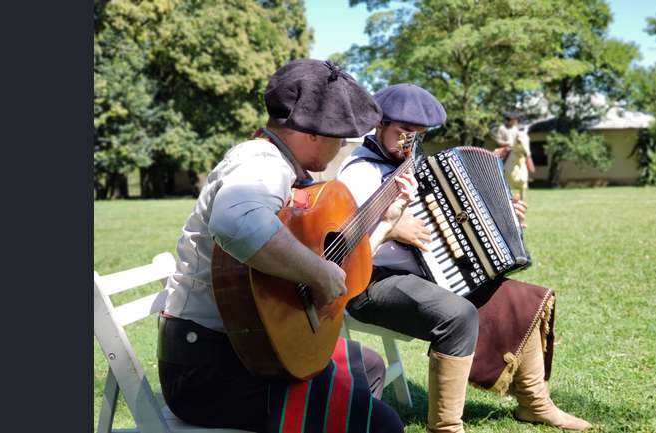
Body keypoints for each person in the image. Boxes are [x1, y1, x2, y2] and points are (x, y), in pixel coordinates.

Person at [157, 59, 415, 433]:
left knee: (369, 366)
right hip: (211, 372)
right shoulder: (260, 162)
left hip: (244, 350)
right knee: (385, 426)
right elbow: (237, 222)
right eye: (339, 134)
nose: (343, 144)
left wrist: (386, 223)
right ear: (311, 133)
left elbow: (339, 267)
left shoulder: (285, 167)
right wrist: (316, 272)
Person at [336, 83, 591, 431]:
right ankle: (445, 427)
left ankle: (535, 402)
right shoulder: (359, 172)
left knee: (520, 297)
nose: (409, 142)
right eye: (403, 133)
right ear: (379, 124)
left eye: (418, 135)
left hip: (426, 272)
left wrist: (504, 219)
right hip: (371, 282)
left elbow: (453, 222)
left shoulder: (415, 164)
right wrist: (392, 228)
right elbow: (344, 245)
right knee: (457, 316)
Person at [492, 112, 534, 201]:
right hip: (505, 148)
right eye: (513, 119)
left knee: (525, 155)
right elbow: (499, 140)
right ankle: (498, 174)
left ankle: (527, 175)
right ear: (509, 120)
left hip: (515, 148)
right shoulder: (502, 128)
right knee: (497, 157)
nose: (515, 121)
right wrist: (506, 143)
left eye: (515, 120)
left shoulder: (516, 129)